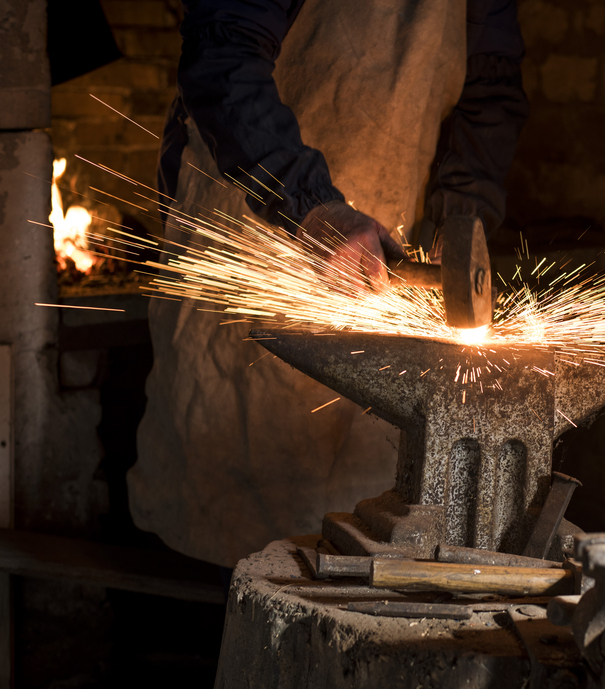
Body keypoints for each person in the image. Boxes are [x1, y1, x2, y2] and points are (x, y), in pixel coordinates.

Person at [128, 0, 529, 567]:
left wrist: (461, 214)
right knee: (223, 525)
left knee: (358, 529)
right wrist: (311, 207)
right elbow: (222, 56)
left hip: (380, 262)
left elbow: (491, 92)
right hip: (249, 242)